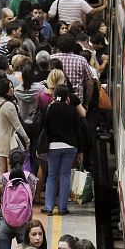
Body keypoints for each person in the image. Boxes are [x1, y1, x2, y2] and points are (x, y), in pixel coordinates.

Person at [42, 85, 86, 217]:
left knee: (51, 176)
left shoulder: (49, 109)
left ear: (55, 95)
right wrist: (81, 151)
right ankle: (62, 208)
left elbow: (45, 128)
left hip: (53, 147)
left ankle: (49, 207)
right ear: (67, 97)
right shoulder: (72, 111)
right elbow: (78, 131)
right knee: (65, 176)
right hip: (70, 147)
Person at [0, 149, 37, 249]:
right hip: (25, 222)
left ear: (9, 162)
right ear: (24, 162)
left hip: (3, 222)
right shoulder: (31, 178)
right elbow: (31, 198)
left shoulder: (3, 178)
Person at [0, 75, 30, 176]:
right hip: (8, 139)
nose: (12, 89)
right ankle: (9, 191)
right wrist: (26, 139)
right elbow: (18, 125)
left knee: (1, 169)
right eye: (10, 87)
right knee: (9, 169)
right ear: (5, 90)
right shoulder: (8, 105)